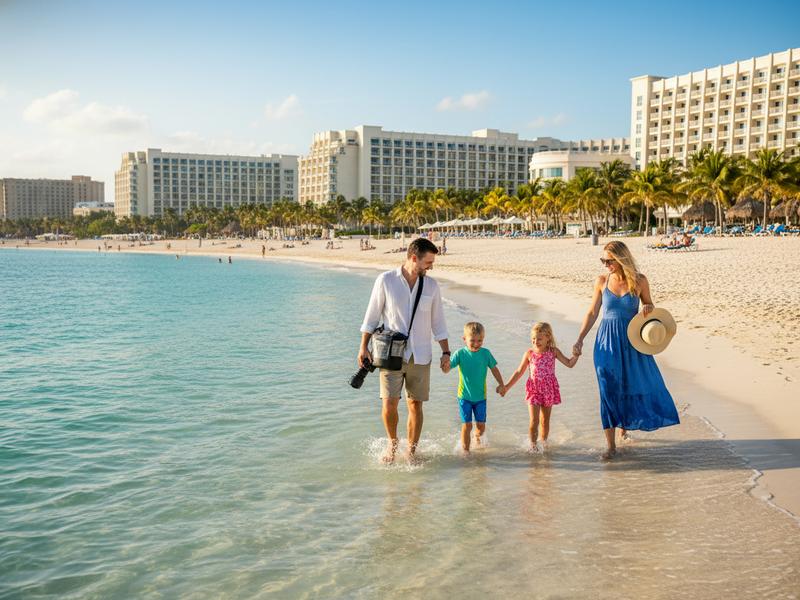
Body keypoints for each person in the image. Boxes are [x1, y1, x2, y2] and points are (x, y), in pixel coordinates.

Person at [572, 241, 679, 460]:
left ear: (621, 259)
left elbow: (649, 306)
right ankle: (611, 446)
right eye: (603, 260)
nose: (605, 264)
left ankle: (624, 427)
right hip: (606, 343)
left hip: (632, 343)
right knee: (607, 389)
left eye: (609, 260)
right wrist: (580, 339)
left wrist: (648, 308)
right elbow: (592, 312)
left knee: (632, 385)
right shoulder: (602, 281)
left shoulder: (639, 281)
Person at [358, 237, 450, 463]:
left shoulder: (431, 285)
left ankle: (412, 451)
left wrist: (446, 352)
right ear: (413, 258)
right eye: (427, 262)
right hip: (390, 354)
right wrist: (363, 347)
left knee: (415, 404)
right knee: (389, 402)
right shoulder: (386, 280)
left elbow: (438, 322)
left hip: (421, 354)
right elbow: (371, 317)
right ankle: (392, 445)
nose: (431, 266)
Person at [501, 322, 578, 452]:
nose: (536, 341)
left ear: (548, 337)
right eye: (533, 339)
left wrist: (576, 355)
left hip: (548, 389)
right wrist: (507, 387)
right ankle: (532, 446)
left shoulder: (553, 352)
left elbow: (569, 364)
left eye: (539, 338)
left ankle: (543, 443)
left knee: (545, 421)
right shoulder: (529, 353)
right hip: (534, 389)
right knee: (533, 421)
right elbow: (519, 372)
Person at [444, 322, 504, 454]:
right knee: (467, 425)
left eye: (480, 340)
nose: (476, 344)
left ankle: (477, 440)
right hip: (464, 397)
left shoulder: (485, 353)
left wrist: (501, 384)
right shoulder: (460, 353)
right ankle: (466, 452)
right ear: (464, 339)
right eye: (472, 341)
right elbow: (448, 368)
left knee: (481, 426)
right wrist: (445, 366)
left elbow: (494, 369)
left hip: (480, 398)